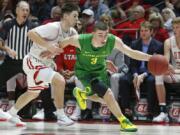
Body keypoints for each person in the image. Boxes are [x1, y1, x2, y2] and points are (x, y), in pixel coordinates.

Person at [44, 21, 152, 132]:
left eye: (106, 34)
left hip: (100, 71)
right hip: (85, 72)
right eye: (100, 35)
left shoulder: (112, 40)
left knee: (106, 101)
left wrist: (150, 58)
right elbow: (62, 43)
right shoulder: (80, 40)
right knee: (109, 95)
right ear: (93, 34)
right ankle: (124, 122)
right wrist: (50, 52)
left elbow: (131, 52)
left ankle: (81, 94)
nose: (104, 39)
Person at [0, 3, 79, 127]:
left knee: (33, 93)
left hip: (44, 63)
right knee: (60, 81)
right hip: (33, 60)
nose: (77, 19)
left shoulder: (72, 32)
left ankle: (12, 113)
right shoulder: (53, 27)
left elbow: (72, 44)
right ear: (65, 16)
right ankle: (61, 116)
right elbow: (30, 34)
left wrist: (52, 49)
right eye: (74, 16)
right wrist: (49, 47)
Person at [119, 21, 163, 120]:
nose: (143, 33)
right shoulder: (134, 44)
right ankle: (126, 110)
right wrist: (135, 74)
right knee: (123, 80)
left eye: (146, 31)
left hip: (150, 71)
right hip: (136, 71)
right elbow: (132, 63)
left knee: (152, 81)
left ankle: (151, 111)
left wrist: (144, 75)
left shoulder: (158, 45)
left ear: (151, 31)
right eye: (141, 31)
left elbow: (156, 65)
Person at [153, 17, 180, 122]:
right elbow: (166, 61)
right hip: (175, 73)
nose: (175, 30)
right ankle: (163, 111)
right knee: (158, 74)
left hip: (177, 72)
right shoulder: (168, 42)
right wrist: (167, 67)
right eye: (173, 27)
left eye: (178, 27)